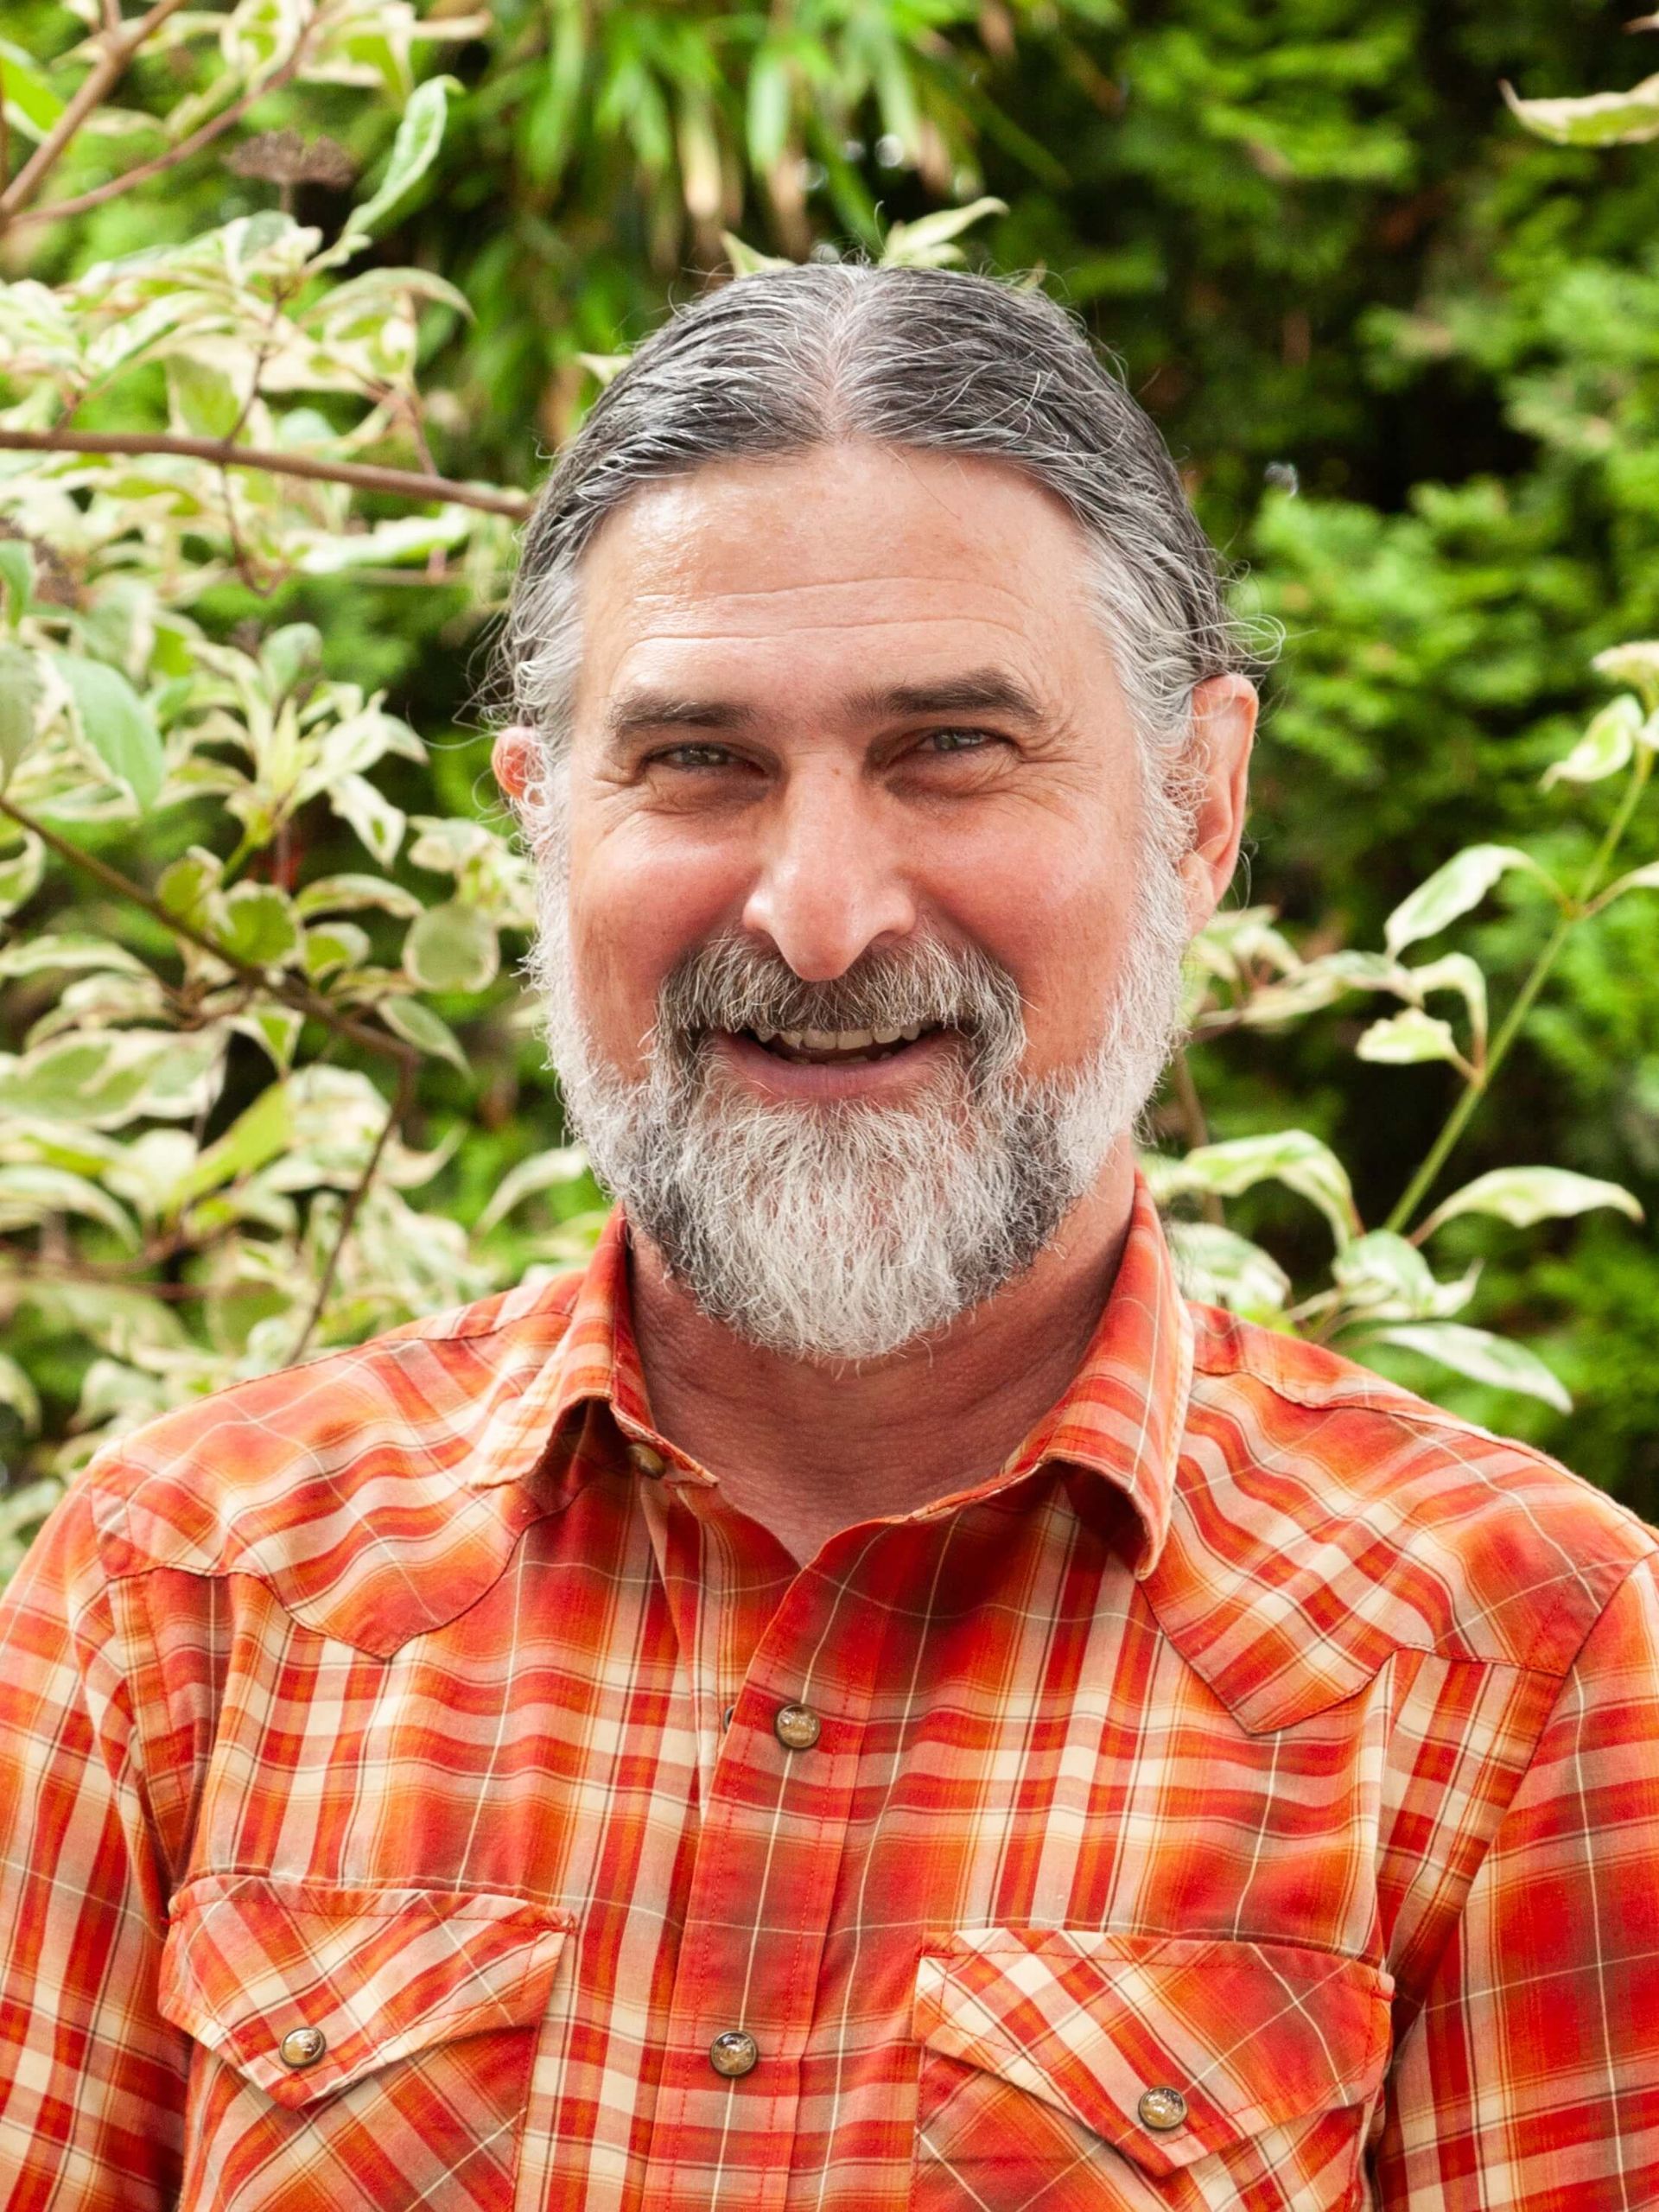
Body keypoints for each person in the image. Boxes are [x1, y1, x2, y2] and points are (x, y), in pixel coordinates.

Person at [1, 264, 1656, 2212]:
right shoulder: (185, 1593)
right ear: (543, 819)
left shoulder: (1519, 1655)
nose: (816, 912)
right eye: (698, 760)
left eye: (951, 746)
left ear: (1200, 804)